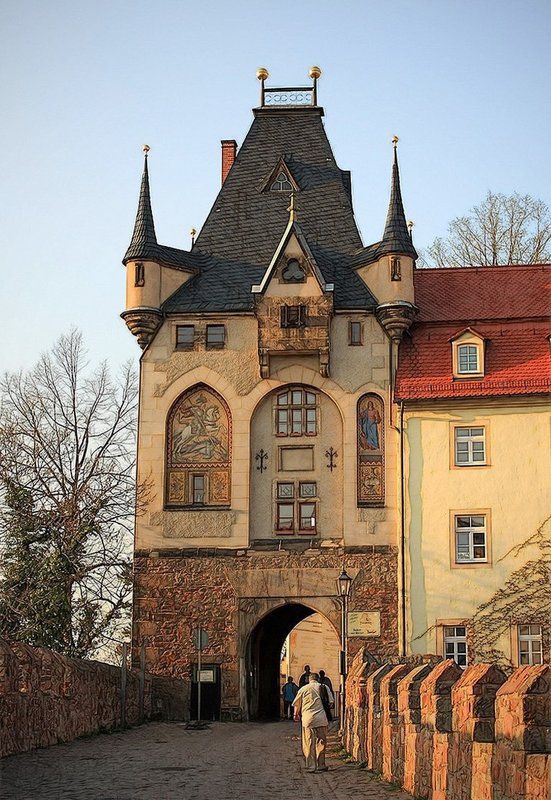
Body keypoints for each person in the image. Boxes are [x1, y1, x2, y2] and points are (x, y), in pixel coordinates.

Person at [293, 672, 329, 773]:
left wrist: (296, 714)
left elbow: (297, 704)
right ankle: (321, 764)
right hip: (321, 718)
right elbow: (331, 702)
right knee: (321, 741)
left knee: (308, 742)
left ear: (309, 679)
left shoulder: (303, 689)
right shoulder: (324, 687)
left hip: (308, 719)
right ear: (318, 679)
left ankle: (311, 766)